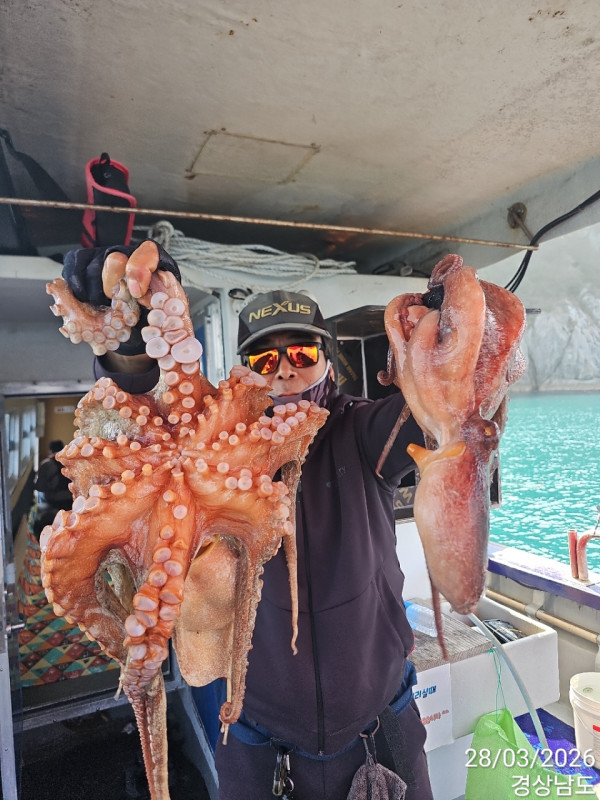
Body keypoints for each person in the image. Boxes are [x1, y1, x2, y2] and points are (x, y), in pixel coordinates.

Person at [62, 240, 433, 800]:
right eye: (264, 359)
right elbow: (147, 404)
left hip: (379, 725)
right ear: (245, 370)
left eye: (301, 353)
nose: (283, 369)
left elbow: (437, 415)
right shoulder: (218, 441)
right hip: (258, 737)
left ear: (328, 358)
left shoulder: (361, 430)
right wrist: (133, 343)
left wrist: (448, 336)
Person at [34, 440, 72, 511]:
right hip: (70, 499)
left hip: (53, 501)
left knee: (40, 497)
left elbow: (40, 487)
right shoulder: (71, 461)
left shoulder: (46, 464)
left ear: (50, 450)